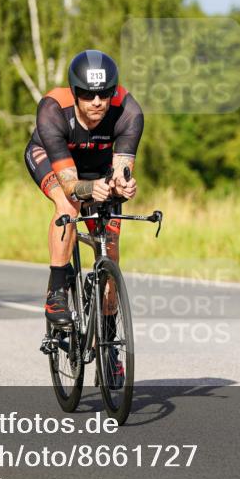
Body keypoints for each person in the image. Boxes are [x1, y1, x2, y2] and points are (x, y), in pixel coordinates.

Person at [23, 50, 143, 379]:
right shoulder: (52, 109)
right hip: (55, 162)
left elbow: (122, 168)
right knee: (67, 205)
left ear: (113, 91)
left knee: (111, 246)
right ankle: (57, 292)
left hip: (99, 167)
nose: (97, 102)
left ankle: (109, 342)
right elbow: (71, 184)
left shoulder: (129, 111)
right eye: (88, 94)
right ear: (75, 92)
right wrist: (90, 190)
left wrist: (122, 185)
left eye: (104, 93)